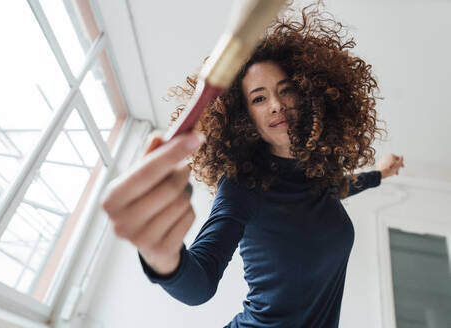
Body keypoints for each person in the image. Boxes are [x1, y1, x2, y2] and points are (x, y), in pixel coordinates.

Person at [102, 2, 404, 327]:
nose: (276, 104)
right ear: (243, 118)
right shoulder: (242, 186)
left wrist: (382, 173)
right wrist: (159, 254)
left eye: (285, 90)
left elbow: (343, 186)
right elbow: (200, 283)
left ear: (307, 96)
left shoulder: (319, 176)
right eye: (259, 98)